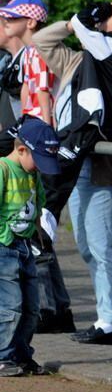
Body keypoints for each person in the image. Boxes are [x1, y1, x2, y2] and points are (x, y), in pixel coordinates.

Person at [33, 0, 112, 344]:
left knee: (102, 243)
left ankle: (111, 320)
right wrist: (75, 24)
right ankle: (106, 314)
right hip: (70, 160)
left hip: (98, 166)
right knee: (83, 242)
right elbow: (42, 42)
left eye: (109, 19)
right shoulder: (74, 60)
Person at [0, 117, 60, 377]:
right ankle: (3, 356)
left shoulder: (31, 174)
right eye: (38, 160)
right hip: (4, 247)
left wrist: (40, 236)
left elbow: (37, 206)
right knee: (10, 305)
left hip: (25, 246)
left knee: (32, 306)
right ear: (21, 149)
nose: (40, 168)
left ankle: (22, 355)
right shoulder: (3, 169)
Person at [0, 0, 52, 125]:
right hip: (30, 122)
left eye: (11, 18)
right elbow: (26, 89)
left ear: (31, 22)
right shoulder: (29, 52)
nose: (6, 22)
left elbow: (43, 89)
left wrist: (47, 127)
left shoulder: (40, 51)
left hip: (40, 123)